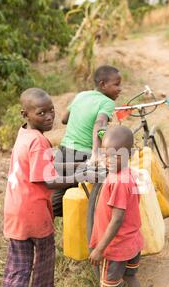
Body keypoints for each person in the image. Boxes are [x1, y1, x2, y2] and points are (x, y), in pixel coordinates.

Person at [2, 87, 77, 287]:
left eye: (51, 110)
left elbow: (41, 165)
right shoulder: (38, 140)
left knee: (18, 267)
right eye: (41, 112)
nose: (49, 116)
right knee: (44, 256)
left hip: (15, 210)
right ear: (26, 114)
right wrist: (76, 177)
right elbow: (46, 180)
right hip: (33, 212)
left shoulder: (24, 134)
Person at [89, 125, 156, 287]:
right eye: (106, 154)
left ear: (130, 154)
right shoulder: (130, 174)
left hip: (115, 248)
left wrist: (100, 248)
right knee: (132, 278)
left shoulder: (117, 181)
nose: (109, 160)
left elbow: (117, 219)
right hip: (132, 242)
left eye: (116, 156)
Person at [52, 65, 122, 216]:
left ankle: (67, 225)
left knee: (58, 200)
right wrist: (96, 153)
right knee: (89, 198)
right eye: (116, 84)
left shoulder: (81, 95)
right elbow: (99, 124)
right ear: (103, 84)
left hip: (64, 151)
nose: (120, 89)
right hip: (83, 155)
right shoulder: (107, 102)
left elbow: (64, 119)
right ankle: (87, 227)